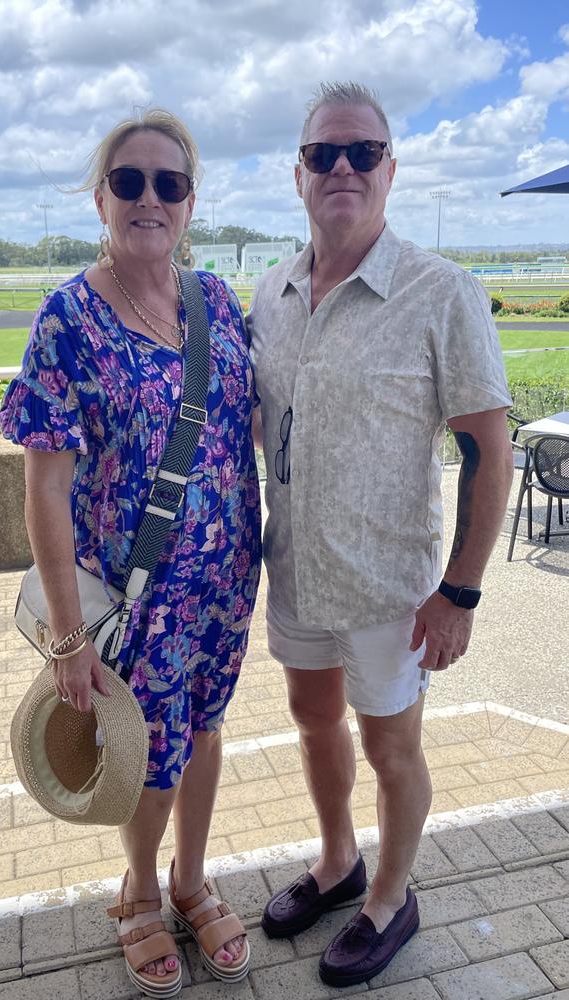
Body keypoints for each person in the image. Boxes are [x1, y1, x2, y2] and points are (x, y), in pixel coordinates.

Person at [247, 81, 513, 988]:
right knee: (314, 722)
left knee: (390, 748)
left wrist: (463, 590)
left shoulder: (443, 293)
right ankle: (336, 862)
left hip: (393, 591)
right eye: (325, 154)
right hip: (295, 576)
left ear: (391, 169)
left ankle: (392, 897)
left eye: (363, 152)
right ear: (299, 176)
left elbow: (490, 452)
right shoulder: (271, 293)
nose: (343, 168)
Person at [0, 108, 261, 998]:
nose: (151, 198)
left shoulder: (218, 303)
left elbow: (248, 422)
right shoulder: (67, 318)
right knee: (149, 749)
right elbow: (43, 487)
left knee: (208, 729)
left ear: (191, 203)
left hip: (227, 582)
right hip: (134, 593)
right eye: (131, 181)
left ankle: (191, 877)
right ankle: (142, 890)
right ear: (101, 197)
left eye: (171, 183)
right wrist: (68, 638)